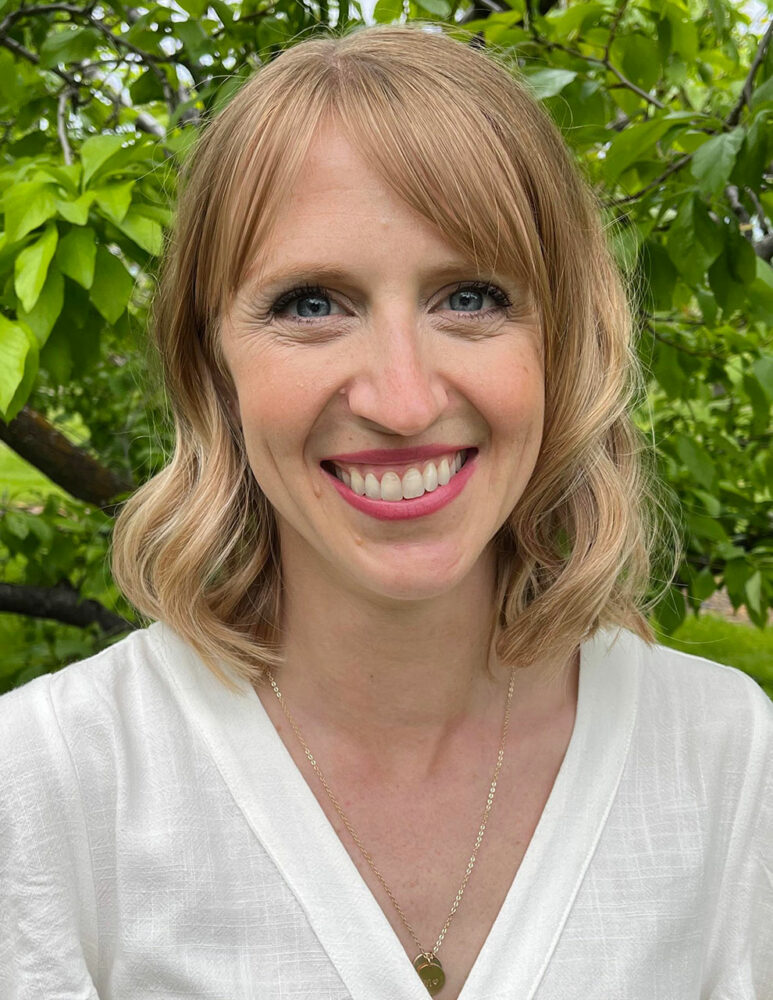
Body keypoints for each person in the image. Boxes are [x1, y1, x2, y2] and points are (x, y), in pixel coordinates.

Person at [1, 21, 771, 1000]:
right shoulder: (48, 784)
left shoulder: (722, 757)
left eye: (471, 296)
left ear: (562, 343)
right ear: (211, 364)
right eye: (311, 304)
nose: (402, 401)